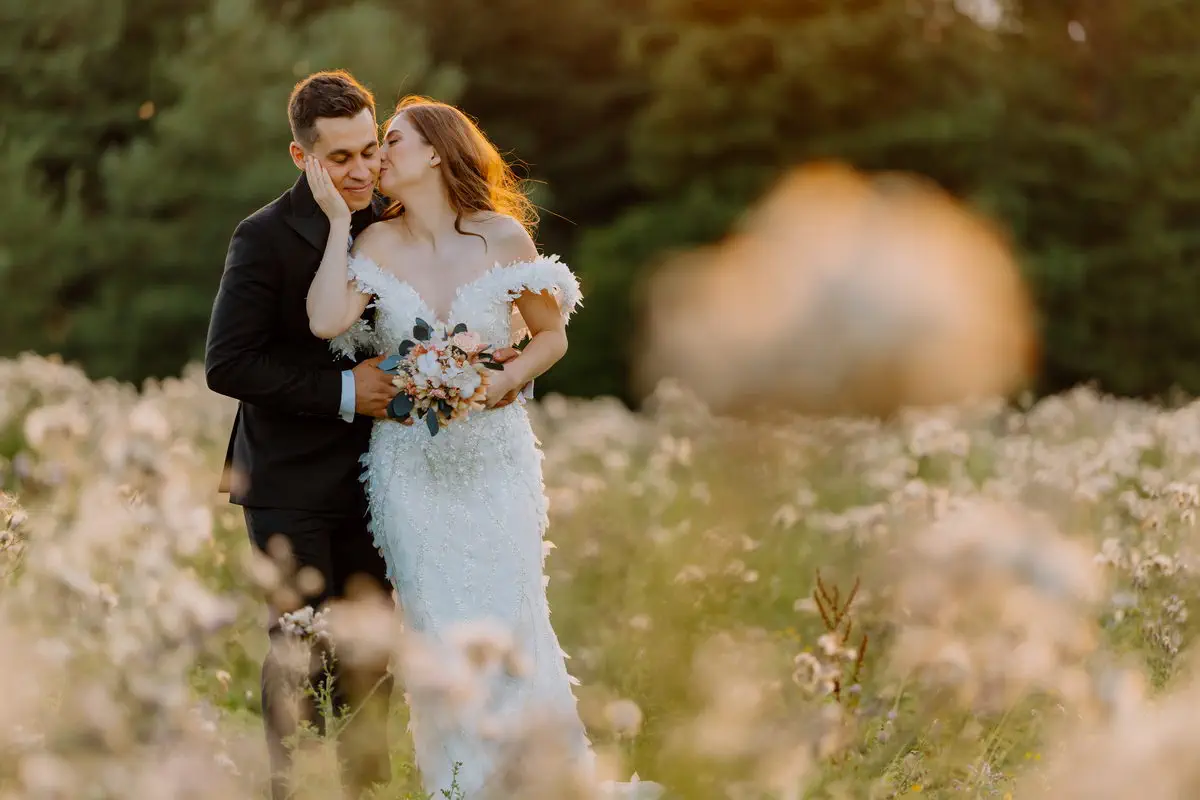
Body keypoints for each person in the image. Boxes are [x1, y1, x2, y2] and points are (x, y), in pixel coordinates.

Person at [304, 95, 662, 798]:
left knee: (513, 622)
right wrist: (340, 222)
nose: (377, 157)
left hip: (495, 465)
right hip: (411, 473)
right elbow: (324, 322)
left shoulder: (501, 238)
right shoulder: (373, 244)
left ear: (436, 151)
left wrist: (503, 380)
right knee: (440, 636)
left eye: (392, 141)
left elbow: (551, 336)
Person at [204, 70, 524, 799]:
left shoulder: (396, 217)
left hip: (384, 479)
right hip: (285, 483)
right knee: (299, 644)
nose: (360, 170)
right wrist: (349, 391)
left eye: (366, 150)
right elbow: (228, 364)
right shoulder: (262, 237)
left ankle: (367, 790)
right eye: (338, 158)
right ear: (301, 157)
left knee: (372, 656)